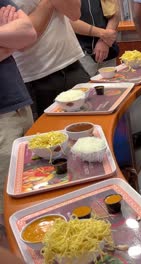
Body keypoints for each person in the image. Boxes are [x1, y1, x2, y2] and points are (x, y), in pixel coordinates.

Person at [12, 0, 89, 118]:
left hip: (72, 64)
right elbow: (21, 39)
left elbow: (74, 13)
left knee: (93, 124)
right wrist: (48, 3)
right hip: (36, 77)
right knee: (50, 133)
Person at [0, 0, 36, 227]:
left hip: (20, 105)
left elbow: (28, 32)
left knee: (35, 184)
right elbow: (17, 37)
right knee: (8, 207)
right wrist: (7, 37)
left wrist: (13, 40)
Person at [71, 0, 120, 76]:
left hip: (108, 50)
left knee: (112, 86)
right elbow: (69, 21)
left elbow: (115, 13)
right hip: (81, 54)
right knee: (86, 86)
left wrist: (104, 41)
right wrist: (103, 35)